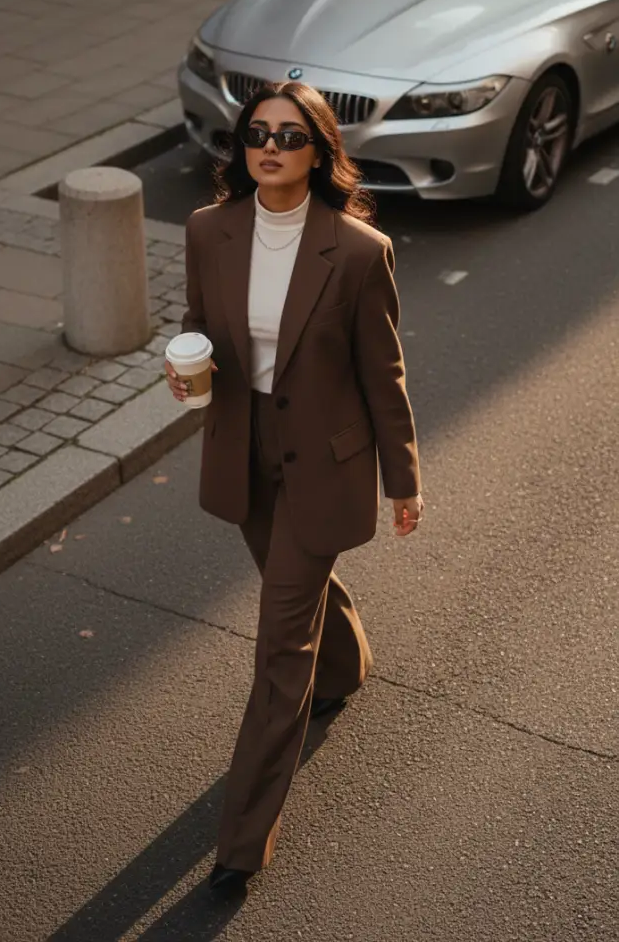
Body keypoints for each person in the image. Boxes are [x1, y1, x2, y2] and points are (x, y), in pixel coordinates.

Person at [166, 81, 423, 896]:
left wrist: (402, 478)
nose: (268, 145)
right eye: (255, 133)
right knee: (298, 586)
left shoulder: (354, 250)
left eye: (288, 134)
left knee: (281, 650)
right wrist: (189, 376)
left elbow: (383, 374)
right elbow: (199, 325)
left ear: (318, 151)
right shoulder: (210, 230)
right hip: (244, 453)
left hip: (328, 460)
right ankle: (348, 667)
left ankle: (242, 844)